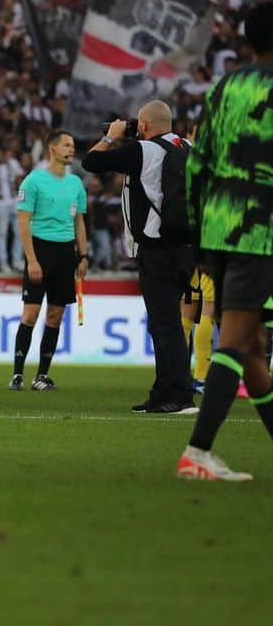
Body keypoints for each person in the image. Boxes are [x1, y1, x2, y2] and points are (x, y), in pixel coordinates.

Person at [176, 1, 273, 481]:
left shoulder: (225, 87)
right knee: (236, 337)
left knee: (252, 344)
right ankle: (197, 451)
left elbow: (198, 163)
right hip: (259, 228)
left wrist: (199, 234)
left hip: (218, 226)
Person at [84, 102, 197, 414]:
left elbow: (91, 162)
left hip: (157, 248)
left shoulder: (142, 150)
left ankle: (180, 394)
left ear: (145, 124)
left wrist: (111, 136)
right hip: (186, 247)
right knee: (164, 322)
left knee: (166, 323)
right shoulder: (186, 146)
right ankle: (163, 392)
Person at [11, 129, 88, 392]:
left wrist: (84, 255)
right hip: (40, 251)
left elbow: (79, 221)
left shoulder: (76, 184)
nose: (71, 149)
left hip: (66, 253)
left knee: (55, 316)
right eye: (67, 145)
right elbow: (23, 222)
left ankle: (41, 376)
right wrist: (32, 260)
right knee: (30, 314)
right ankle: (17, 374)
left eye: (73, 145)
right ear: (52, 149)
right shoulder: (33, 181)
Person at [0, 145, 25, 271]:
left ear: (3, 154)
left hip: (14, 200)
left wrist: (17, 182)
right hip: (0, 202)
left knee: (19, 232)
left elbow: (21, 176)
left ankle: (17, 261)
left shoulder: (12, 163)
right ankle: (3, 263)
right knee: (2, 234)